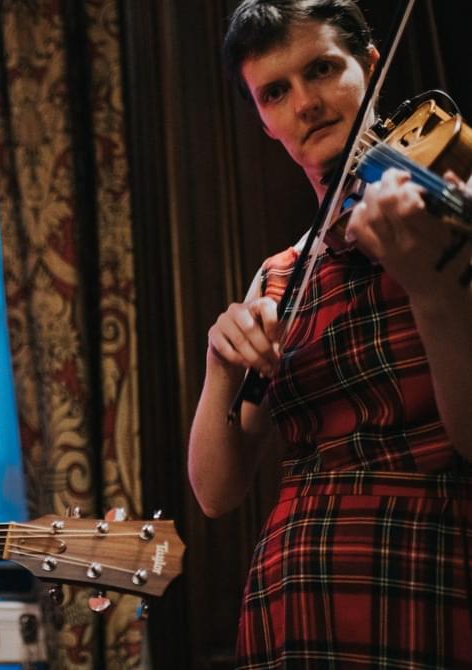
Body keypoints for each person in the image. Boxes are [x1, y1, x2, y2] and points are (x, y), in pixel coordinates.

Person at [187, 0, 472, 667]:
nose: (305, 103)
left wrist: (430, 288)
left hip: (428, 587)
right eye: (275, 92)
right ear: (261, 118)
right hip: (292, 608)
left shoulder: (452, 211)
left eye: (321, 69)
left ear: (370, 64)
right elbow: (216, 492)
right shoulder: (281, 275)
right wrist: (220, 367)